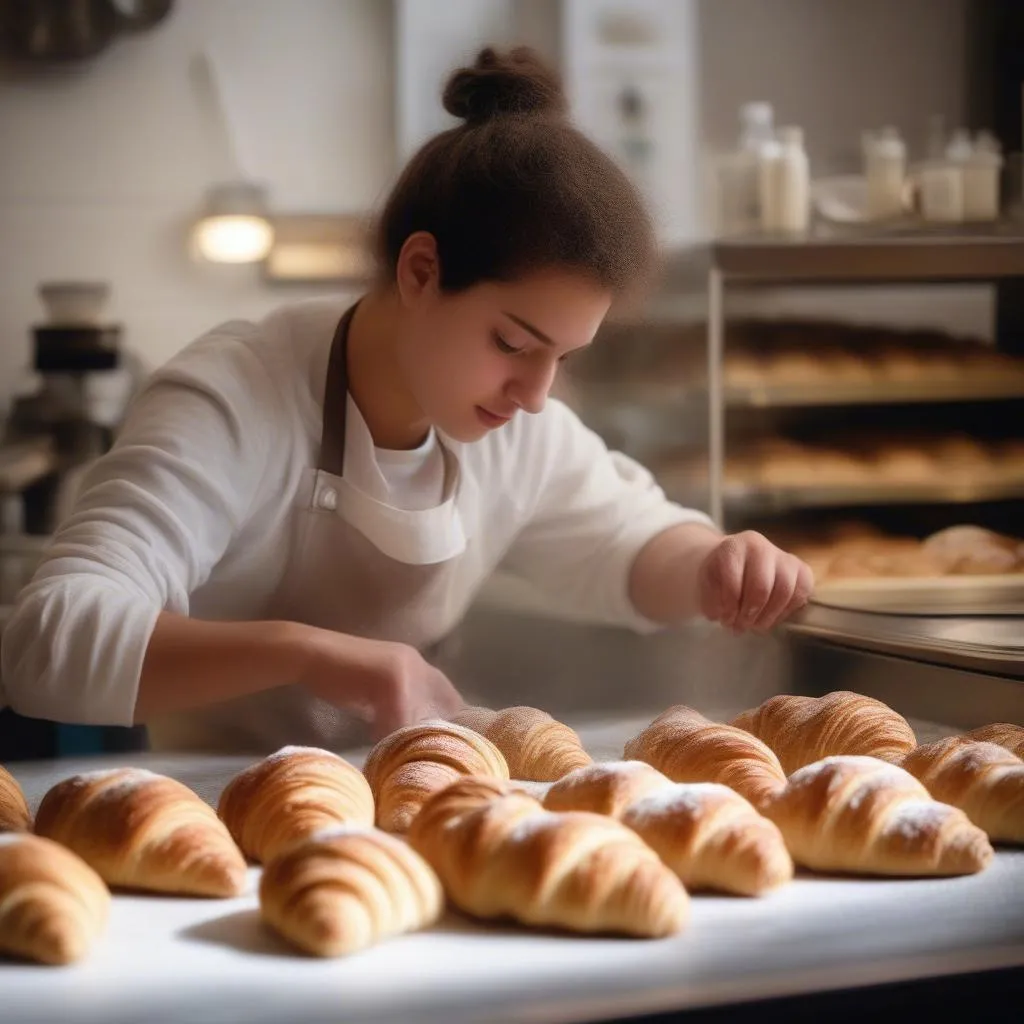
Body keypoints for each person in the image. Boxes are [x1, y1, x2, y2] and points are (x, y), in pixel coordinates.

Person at [0, 48, 813, 754]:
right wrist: (312, 654)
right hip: (204, 807)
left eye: (561, 358)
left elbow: (632, 550)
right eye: (513, 343)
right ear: (421, 271)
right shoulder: (232, 400)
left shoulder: (515, 429)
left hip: (394, 804)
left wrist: (714, 565)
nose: (534, 395)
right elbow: (47, 644)